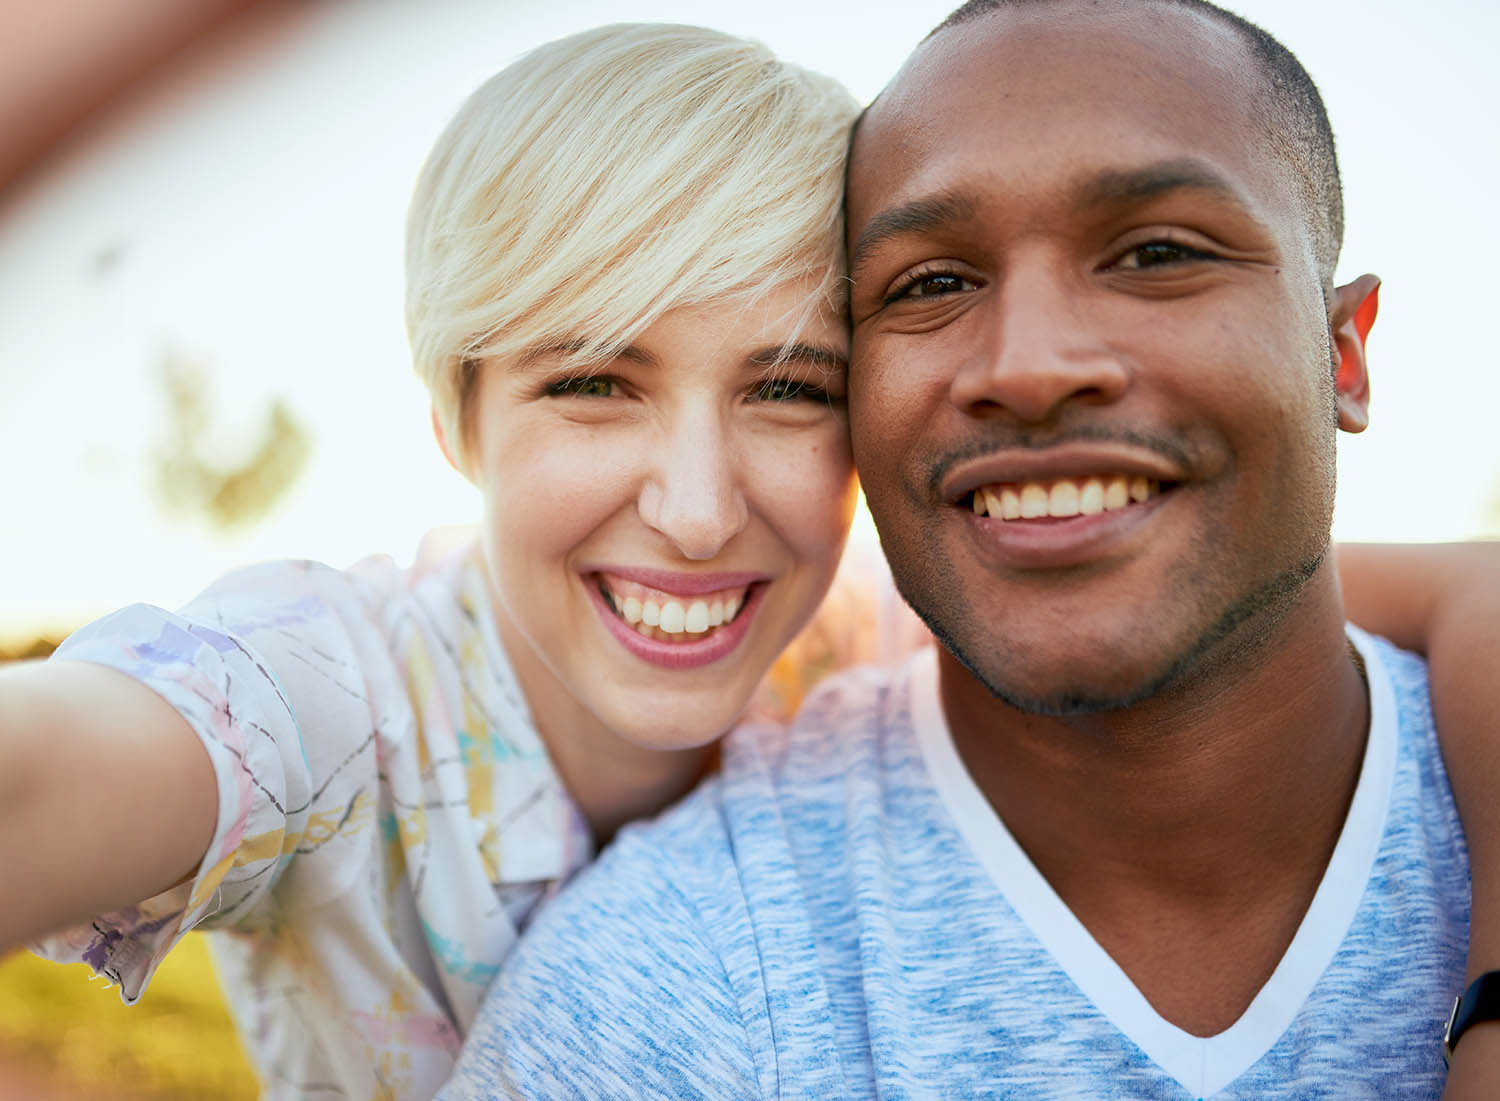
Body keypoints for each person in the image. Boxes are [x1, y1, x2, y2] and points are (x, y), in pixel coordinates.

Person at [435, 3, 1500, 1098]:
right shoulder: (660, 996)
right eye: (932, 283)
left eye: (1157, 253)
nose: (1030, 366)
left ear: (1345, 358)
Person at [0, 25, 861, 1100]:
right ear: (460, 422)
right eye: (593, 383)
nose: (697, 514)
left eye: (789, 389)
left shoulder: (884, 678)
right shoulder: (332, 690)